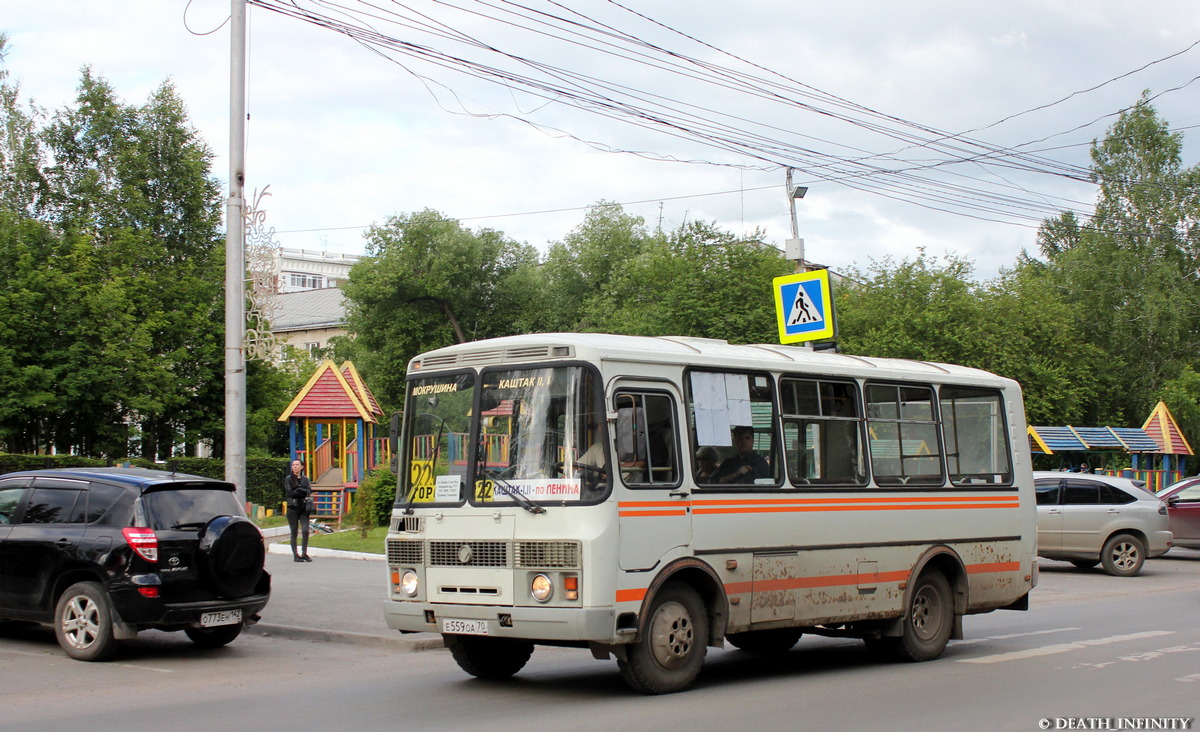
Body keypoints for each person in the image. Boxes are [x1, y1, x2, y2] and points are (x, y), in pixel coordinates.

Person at [283, 459, 313, 562]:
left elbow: (309, 491)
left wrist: (300, 490)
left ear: (302, 467)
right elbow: (290, 493)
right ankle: (295, 555)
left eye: (297, 465)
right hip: (293, 508)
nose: (295, 466)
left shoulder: (305, 479)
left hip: (304, 508)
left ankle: (304, 553)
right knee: (294, 531)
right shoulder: (288, 479)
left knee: (305, 530)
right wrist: (301, 491)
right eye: (293, 465)